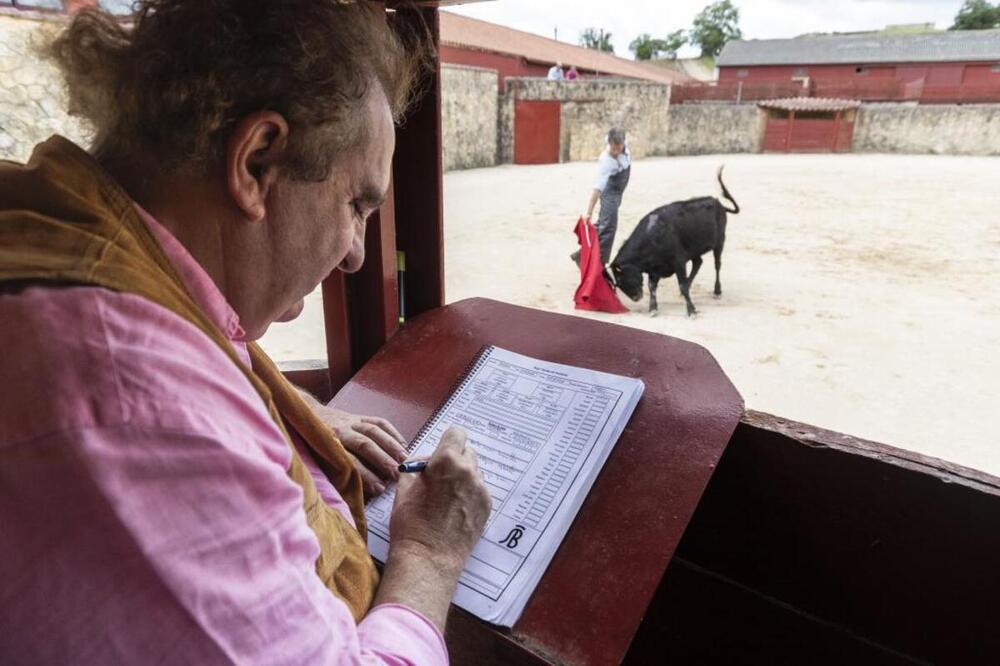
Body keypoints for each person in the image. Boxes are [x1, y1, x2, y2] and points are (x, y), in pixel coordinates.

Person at [0, 2, 491, 665]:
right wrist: (429, 554)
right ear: (258, 163)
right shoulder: (142, 407)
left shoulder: (73, 236)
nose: (355, 254)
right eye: (356, 206)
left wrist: (297, 414)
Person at [573, 127, 631, 266]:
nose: (616, 151)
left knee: (604, 223)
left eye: (619, 147)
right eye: (613, 148)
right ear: (609, 144)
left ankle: (581, 255)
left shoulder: (623, 143)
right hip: (610, 192)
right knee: (609, 227)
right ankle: (598, 262)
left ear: (623, 143)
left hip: (619, 192)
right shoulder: (606, 161)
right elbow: (598, 189)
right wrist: (588, 212)